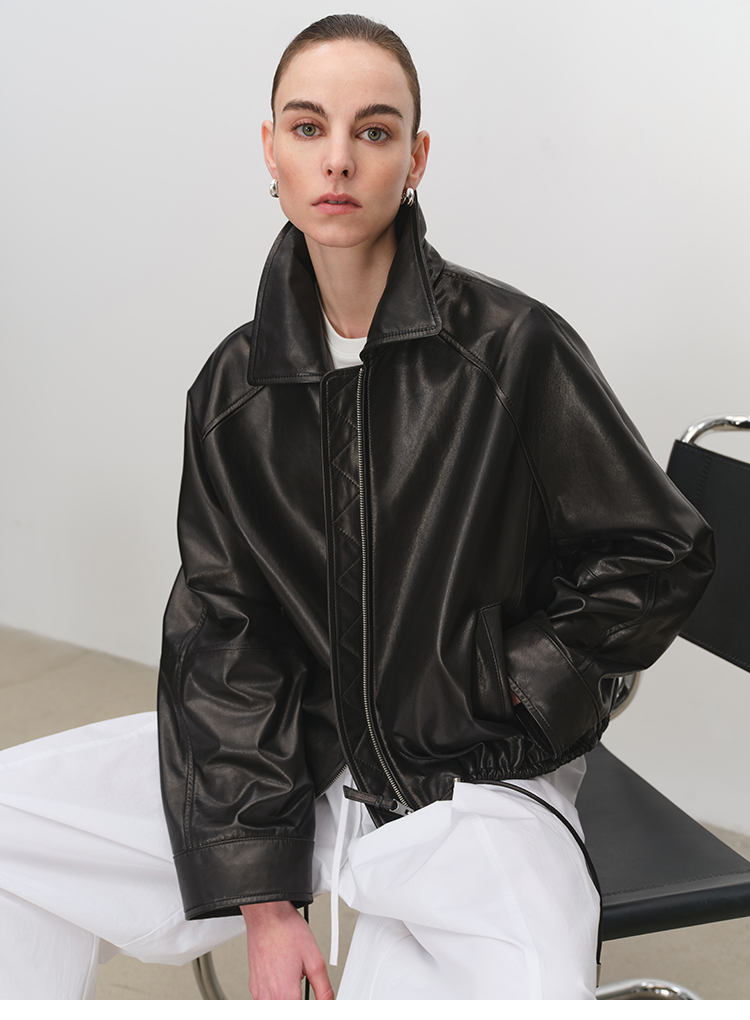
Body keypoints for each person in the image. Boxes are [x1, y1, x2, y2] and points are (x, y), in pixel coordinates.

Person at [0, 14, 713, 1001]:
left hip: (474, 779)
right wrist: (265, 900)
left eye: (373, 131)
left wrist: (503, 686)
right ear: (272, 151)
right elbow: (228, 638)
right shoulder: (234, 393)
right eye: (309, 127)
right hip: (302, 758)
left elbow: (657, 550)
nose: (338, 158)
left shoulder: (511, 351)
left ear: (415, 158)